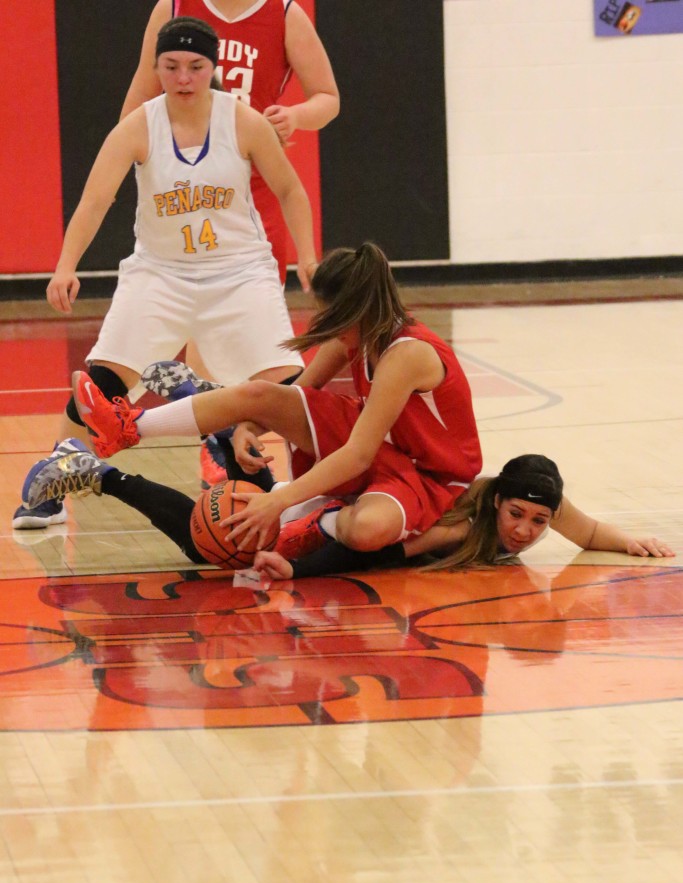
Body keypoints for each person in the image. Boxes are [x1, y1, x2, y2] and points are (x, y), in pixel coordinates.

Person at [13, 16, 316, 531]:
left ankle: (318, 489)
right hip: (160, 274)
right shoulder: (138, 126)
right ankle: (54, 483)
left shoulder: (242, 121)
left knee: (298, 393)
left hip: (238, 273)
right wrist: (66, 264)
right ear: (155, 68)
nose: (183, 77)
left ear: (212, 67)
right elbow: (95, 200)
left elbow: (289, 188)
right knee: (99, 387)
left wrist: (308, 257)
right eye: (171, 66)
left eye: (195, 66)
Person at [41, 243, 485, 560]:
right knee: (259, 395)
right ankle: (129, 427)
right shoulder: (357, 335)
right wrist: (250, 428)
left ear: (356, 310)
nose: (324, 324)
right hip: (384, 455)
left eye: (330, 315)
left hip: (421, 478)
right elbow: (293, 397)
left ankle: (310, 511)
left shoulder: (405, 354)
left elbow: (358, 453)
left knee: (250, 537)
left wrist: (280, 500)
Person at [122, 1, 340, 490]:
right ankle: (215, 446)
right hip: (189, 184)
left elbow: (328, 97)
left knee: (259, 335)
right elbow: (135, 102)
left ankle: (253, 442)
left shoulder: (283, 13)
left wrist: (296, 114)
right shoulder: (175, 7)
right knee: (200, 319)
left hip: (253, 182)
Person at [19, 450, 675, 577]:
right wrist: (294, 573)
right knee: (213, 545)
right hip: (343, 522)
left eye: (536, 522)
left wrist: (630, 542)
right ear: (495, 500)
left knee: (233, 527)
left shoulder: (532, 500)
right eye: (519, 517)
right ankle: (98, 472)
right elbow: (374, 553)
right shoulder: (457, 521)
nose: (526, 533)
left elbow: (584, 531)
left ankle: (218, 430)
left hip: (361, 501)